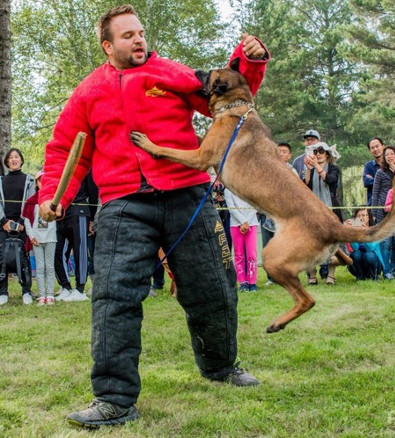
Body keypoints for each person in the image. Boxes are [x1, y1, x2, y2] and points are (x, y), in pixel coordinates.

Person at [38, 5, 269, 428]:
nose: (139, 39)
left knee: (214, 288)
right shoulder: (88, 91)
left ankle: (220, 367)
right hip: (124, 203)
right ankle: (113, 399)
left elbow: (229, 97)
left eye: (141, 33)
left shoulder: (173, 73)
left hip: (187, 193)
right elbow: (64, 150)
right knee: (113, 299)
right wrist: (54, 197)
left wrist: (249, 61)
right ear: (107, 45)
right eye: (127, 35)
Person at [54, 172, 98, 302]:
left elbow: (93, 193)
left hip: (79, 211)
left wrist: (91, 217)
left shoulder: (85, 167)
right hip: (60, 213)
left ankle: (80, 288)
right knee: (58, 251)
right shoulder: (58, 164)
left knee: (80, 251)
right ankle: (65, 286)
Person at [0, 148, 36, 305]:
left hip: (22, 225)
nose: (14, 159)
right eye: (11, 157)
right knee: (1, 258)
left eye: (17, 157)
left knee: (24, 259)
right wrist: (3, 221)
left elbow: (31, 200)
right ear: (7, 162)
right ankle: (2, 292)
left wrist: (22, 221)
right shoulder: (1, 180)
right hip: (3, 224)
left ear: (21, 160)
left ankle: (26, 291)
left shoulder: (30, 180)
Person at [304, 142, 342, 285]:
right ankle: (312, 276)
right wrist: (308, 169)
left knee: (332, 244)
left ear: (327, 154)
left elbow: (330, 180)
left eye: (321, 151)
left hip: (331, 210)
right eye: (315, 151)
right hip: (313, 211)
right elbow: (305, 187)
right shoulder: (312, 169)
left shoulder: (334, 168)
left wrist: (317, 166)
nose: (318, 154)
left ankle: (330, 276)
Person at [261, 141, 297, 286]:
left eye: (284, 151)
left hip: (286, 217)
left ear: (289, 155)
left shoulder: (292, 171)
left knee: (285, 248)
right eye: (279, 151)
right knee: (268, 247)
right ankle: (271, 278)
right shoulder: (266, 170)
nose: (281, 153)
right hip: (267, 214)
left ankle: (288, 276)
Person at [23, 171, 58, 305]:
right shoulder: (31, 201)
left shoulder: (54, 201)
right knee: (39, 267)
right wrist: (31, 236)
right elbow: (27, 220)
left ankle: (50, 295)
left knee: (49, 267)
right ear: (36, 183)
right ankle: (41, 295)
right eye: (40, 180)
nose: (43, 183)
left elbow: (59, 216)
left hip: (50, 239)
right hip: (37, 239)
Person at [371, 145, 395, 279]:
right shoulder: (380, 172)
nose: (389, 157)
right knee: (386, 243)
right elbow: (375, 192)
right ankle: (386, 270)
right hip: (383, 212)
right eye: (387, 155)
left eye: (392, 154)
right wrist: (374, 211)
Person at [224, 189, 259, 292]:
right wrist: (242, 221)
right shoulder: (228, 190)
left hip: (251, 224)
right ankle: (242, 282)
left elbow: (255, 206)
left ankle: (252, 282)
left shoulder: (250, 187)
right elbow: (232, 209)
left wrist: (246, 223)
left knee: (251, 255)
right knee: (238, 254)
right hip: (235, 225)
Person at [345, 208, 384, 280]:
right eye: (358, 216)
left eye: (363, 215)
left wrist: (365, 233)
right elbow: (355, 248)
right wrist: (350, 232)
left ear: (368, 217)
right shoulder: (355, 230)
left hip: (374, 261)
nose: (360, 218)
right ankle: (360, 277)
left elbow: (370, 248)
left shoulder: (375, 230)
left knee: (369, 255)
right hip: (361, 261)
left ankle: (373, 276)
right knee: (354, 254)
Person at [363, 137, 384, 205]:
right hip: (373, 203)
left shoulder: (391, 164)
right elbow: (366, 182)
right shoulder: (368, 166)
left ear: (383, 146)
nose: (375, 149)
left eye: (377, 146)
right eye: (372, 148)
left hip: (389, 203)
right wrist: (385, 181)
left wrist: (374, 179)